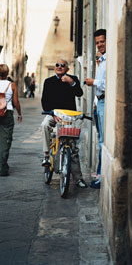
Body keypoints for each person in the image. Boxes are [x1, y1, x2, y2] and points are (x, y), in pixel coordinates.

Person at [41, 59, 87, 188]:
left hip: (68, 117)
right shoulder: (48, 82)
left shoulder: (73, 79)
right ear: (55, 68)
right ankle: (46, 156)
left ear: (67, 68)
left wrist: (71, 83)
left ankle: (78, 179)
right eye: (57, 65)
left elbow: (79, 93)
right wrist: (52, 114)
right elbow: (45, 101)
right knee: (44, 125)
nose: (59, 67)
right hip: (53, 114)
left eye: (62, 65)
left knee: (72, 147)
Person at [85, 29, 106, 189]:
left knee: (102, 142)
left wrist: (94, 82)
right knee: (100, 140)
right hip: (99, 103)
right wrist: (95, 100)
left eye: (102, 41)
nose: (99, 45)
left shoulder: (108, 61)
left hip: (105, 103)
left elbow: (107, 83)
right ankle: (99, 174)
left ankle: (100, 177)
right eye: (97, 42)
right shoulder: (102, 61)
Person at [0, 64, 22, 176]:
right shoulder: (11, 85)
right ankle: (2, 168)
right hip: (6, 113)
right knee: (5, 141)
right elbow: (16, 102)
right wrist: (19, 114)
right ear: (7, 73)